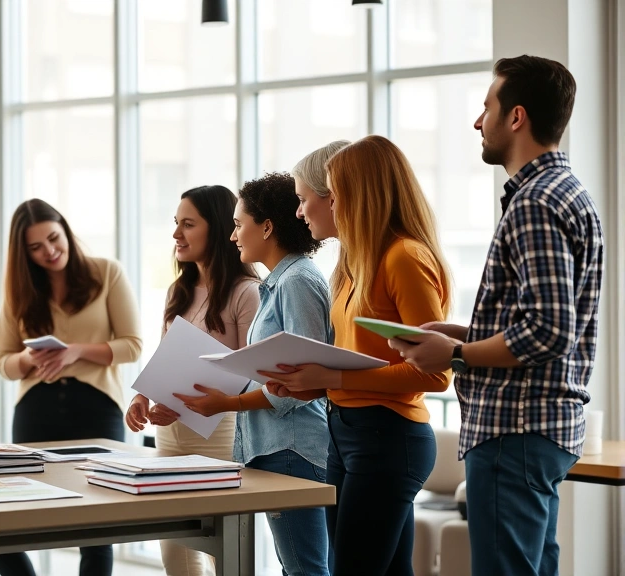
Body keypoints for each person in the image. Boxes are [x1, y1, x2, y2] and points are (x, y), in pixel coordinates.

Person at [393, 55, 604, 576]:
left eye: (486, 106)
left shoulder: (535, 202)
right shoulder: (566, 193)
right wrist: (464, 333)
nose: (476, 120)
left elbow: (548, 332)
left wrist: (458, 353)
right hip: (540, 429)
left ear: (516, 118)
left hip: (516, 428)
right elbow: (548, 322)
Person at [265, 135, 452, 576]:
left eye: (328, 192)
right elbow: (357, 357)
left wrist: (335, 379)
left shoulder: (403, 257)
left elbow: (436, 374)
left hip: (388, 438)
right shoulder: (354, 263)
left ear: (352, 194)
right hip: (347, 433)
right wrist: (309, 381)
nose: (303, 210)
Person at [170, 172, 332, 576]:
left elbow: (297, 386)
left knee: (304, 569)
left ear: (267, 226)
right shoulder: (279, 284)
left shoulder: (296, 282)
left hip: (293, 450)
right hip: (277, 450)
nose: (233, 235)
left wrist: (226, 403)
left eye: (239, 225)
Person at [0, 198, 142, 576]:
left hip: (97, 407)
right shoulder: (20, 291)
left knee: (97, 523)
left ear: (67, 233)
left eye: (54, 239)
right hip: (36, 410)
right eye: (36, 247)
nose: (50, 251)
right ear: (23, 253)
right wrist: (27, 360)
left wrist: (75, 351)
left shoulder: (107, 273)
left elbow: (132, 345)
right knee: (9, 517)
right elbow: (4, 362)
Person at [125, 185, 259, 576]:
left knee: (226, 553)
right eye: (175, 224)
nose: (176, 234)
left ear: (215, 229)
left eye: (188, 224)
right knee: (176, 556)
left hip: (220, 437)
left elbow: (253, 374)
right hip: (170, 438)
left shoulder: (246, 293)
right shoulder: (178, 291)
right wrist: (142, 395)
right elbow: (165, 356)